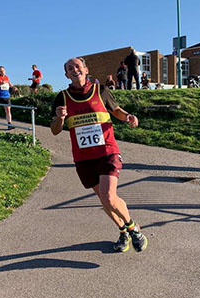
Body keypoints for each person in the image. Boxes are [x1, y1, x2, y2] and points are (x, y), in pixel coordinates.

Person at [50, 57, 147, 253]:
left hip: (107, 151)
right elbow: (54, 130)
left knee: (109, 197)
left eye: (77, 66)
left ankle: (134, 229)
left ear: (86, 69)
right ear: (66, 74)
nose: (74, 69)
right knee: (105, 201)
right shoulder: (62, 97)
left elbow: (116, 110)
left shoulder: (100, 90)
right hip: (83, 158)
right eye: (70, 68)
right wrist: (60, 119)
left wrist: (128, 116)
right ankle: (123, 231)